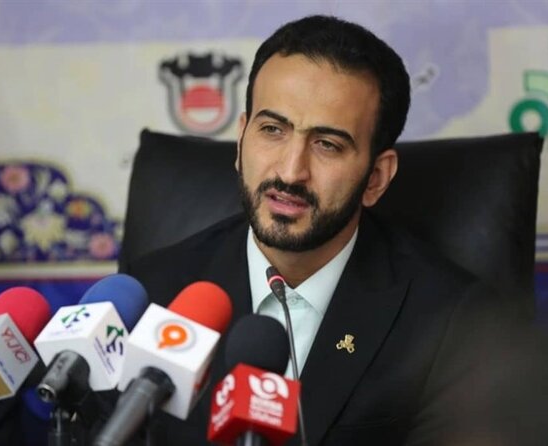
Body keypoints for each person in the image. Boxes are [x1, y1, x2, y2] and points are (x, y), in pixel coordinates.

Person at [118, 15, 516, 446]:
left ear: (377, 178)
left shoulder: (452, 326)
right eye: (272, 130)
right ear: (241, 140)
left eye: (327, 144)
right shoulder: (152, 293)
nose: (291, 172)